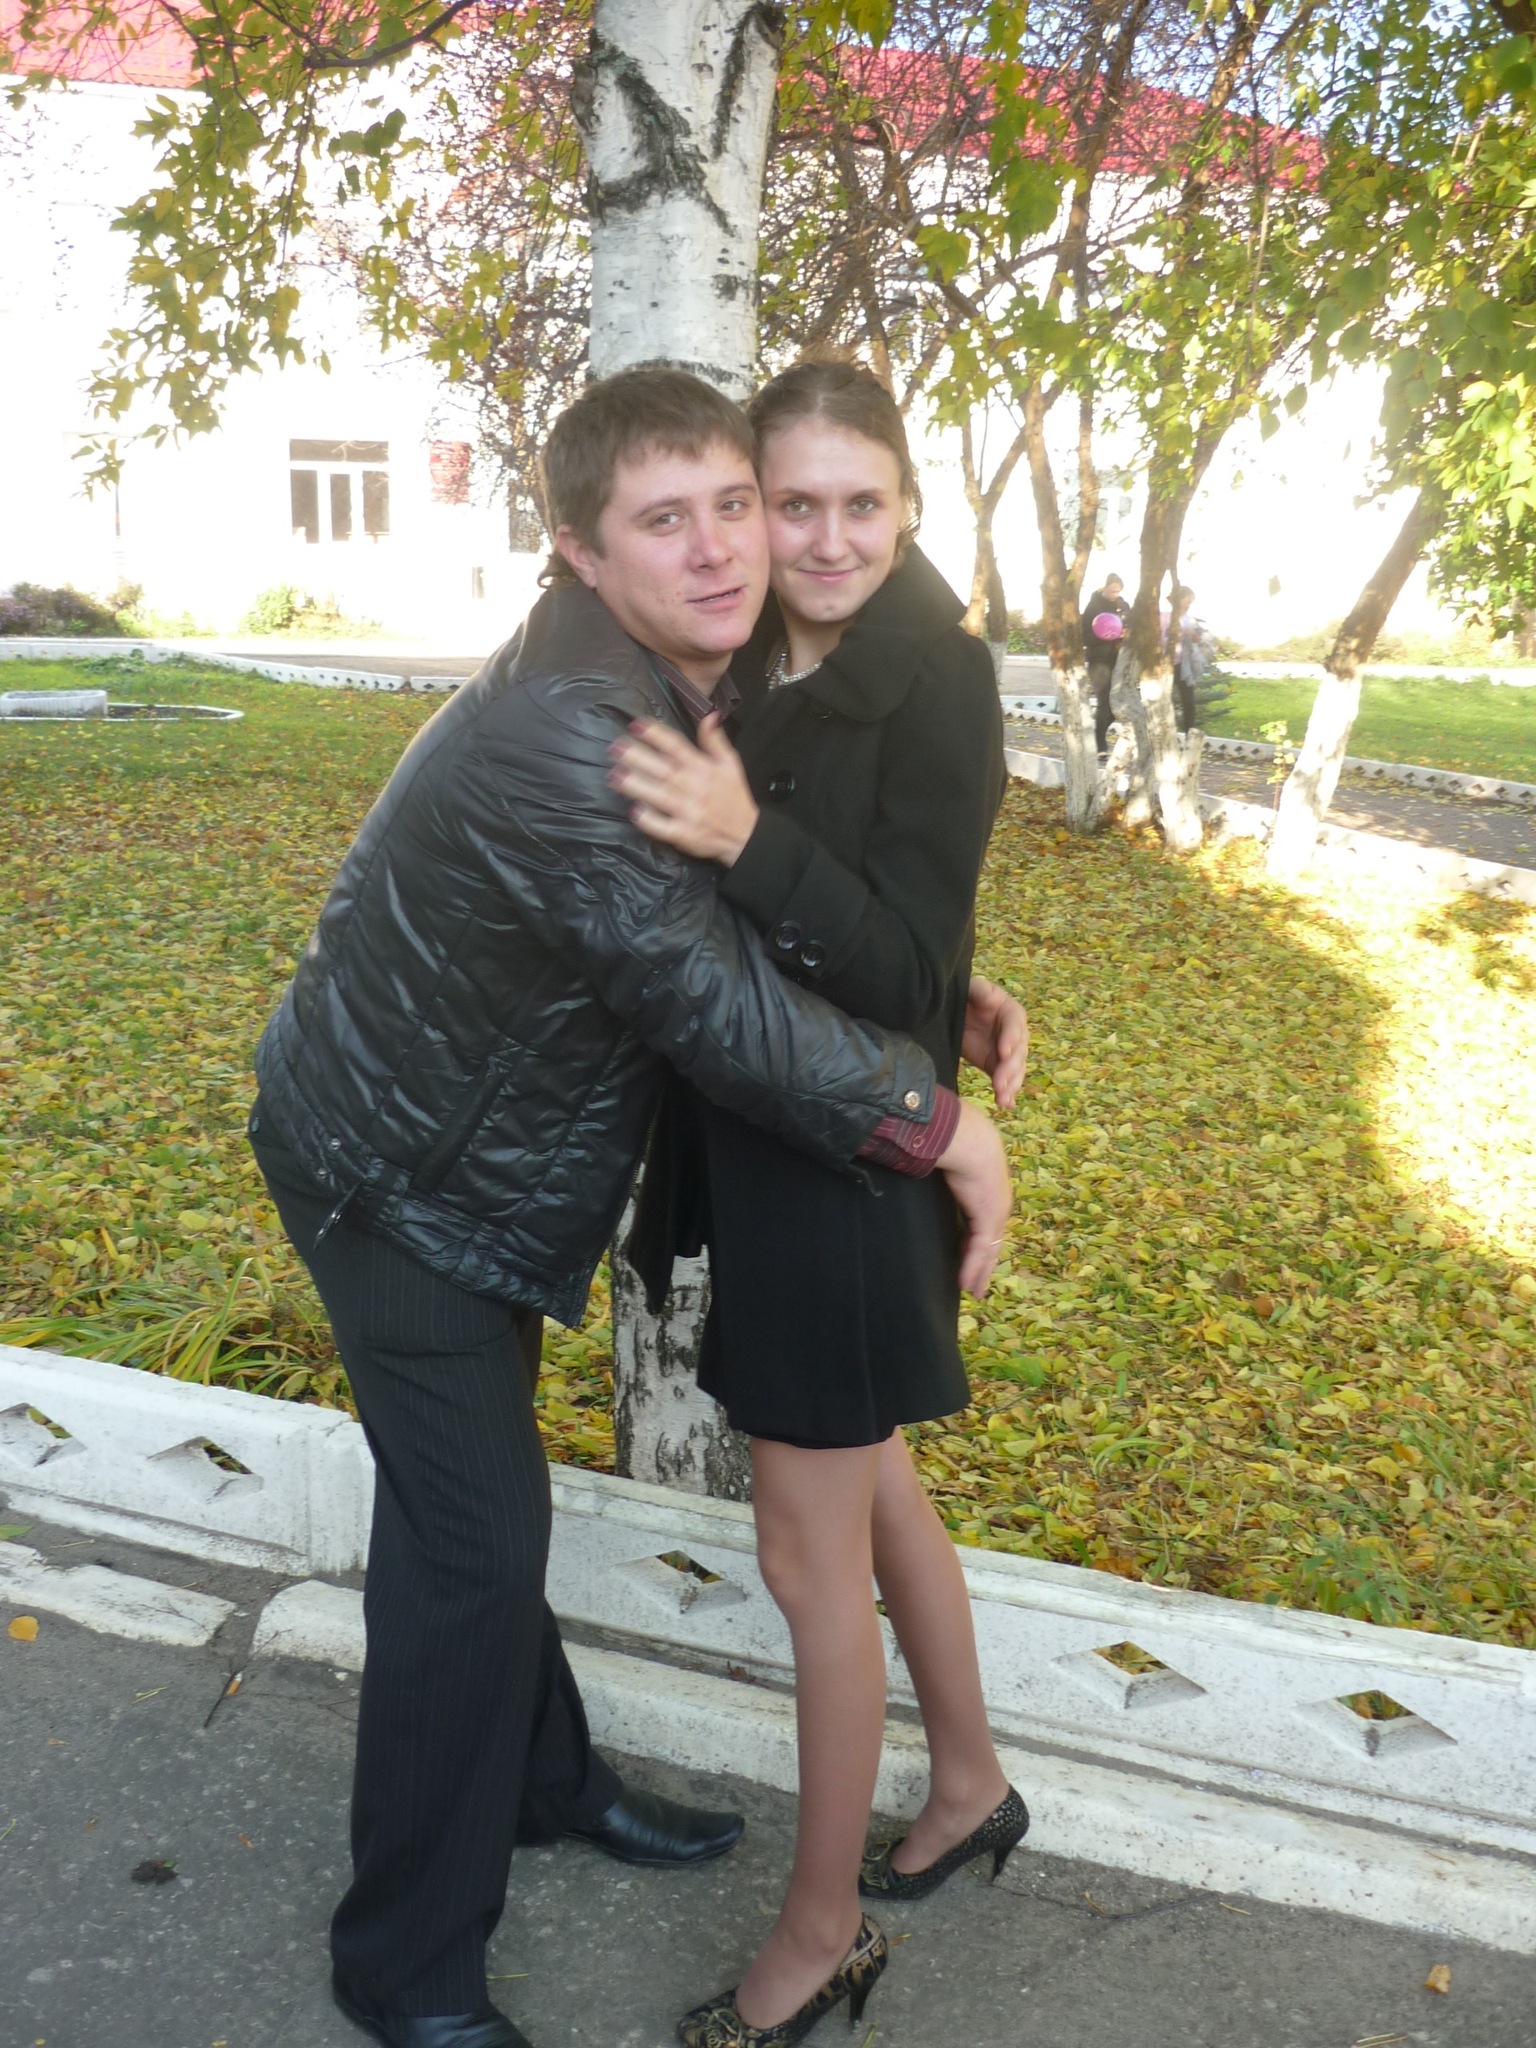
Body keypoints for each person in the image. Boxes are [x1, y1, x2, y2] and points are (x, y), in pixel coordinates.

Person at [247, 366, 1016, 2048]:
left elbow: (771, 888)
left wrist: (937, 988)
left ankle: (542, 1779)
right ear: (582, 554)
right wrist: (938, 1122)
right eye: (669, 520)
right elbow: (701, 993)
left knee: (475, 1514)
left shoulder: (674, 672)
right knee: (469, 1549)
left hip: (462, 1153)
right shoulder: (577, 730)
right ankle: (405, 1965)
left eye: (734, 504)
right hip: (402, 1178)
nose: (726, 547)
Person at [610, 361, 1029, 2048]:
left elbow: (892, 948)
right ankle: (971, 1779)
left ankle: (820, 1931)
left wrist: (744, 839)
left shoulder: (938, 674)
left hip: (850, 1163)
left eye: (864, 503)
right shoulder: (766, 658)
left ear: (912, 507)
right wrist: (953, 976)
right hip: (782, 1137)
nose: (829, 537)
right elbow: (899, 924)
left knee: (806, 1555)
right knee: (878, 1494)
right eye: (795, 504)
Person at [1080, 572, 1131, 755]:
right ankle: (1100, 745)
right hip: (1098, 659)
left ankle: (1097, 734)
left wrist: (1125, 633)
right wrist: (1105, 635)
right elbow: (1085, 636)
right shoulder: (1094, 606)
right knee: (1104, 701)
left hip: (1118, 659)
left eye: (1117, 591)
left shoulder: (1123, 606)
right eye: (1111, 591)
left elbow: (1130, 627)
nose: (1114, 594)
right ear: (1105, 587)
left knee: (1117, 704)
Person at [1168, 584, 1211, 734]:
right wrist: (1182, 633)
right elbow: (1164, 638)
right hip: (1166, 665)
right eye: (1187, 602)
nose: (1189, 605)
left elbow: (1196, 640)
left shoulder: (1188, 620)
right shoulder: (1166, 617)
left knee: (1188, 701)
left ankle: (1189, 733)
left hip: (1183, 664)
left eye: (1191, 603)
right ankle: (1166, 732)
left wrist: (1195, 637)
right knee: (1166, 700)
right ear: (1179, 600)